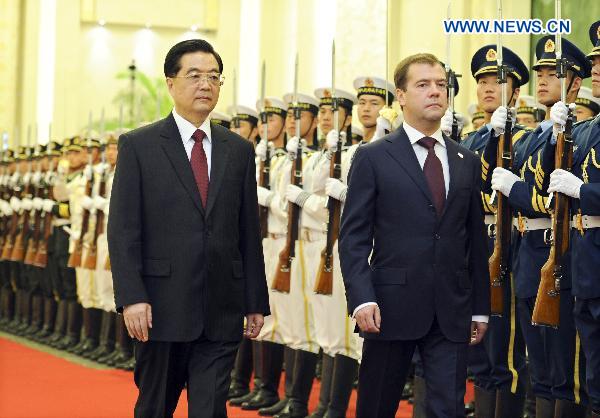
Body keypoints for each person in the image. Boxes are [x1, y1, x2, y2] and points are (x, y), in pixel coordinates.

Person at [108, 39, 270, 418]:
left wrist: (255, 300)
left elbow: (247, 229)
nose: (206, 85)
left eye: (214, 77)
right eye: (194, 76)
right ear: (170, 83)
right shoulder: (139, 146)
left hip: (221, 308)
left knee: (210, 409)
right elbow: (123, 229)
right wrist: (132, 296)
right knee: (155, 406)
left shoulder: (239, 150)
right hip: (160, 308)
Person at [339, 53, 490, 418]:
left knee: (447, 409)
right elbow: (353, 237)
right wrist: (361, 298)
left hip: (450, 309)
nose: (436, 92)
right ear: (401, 96)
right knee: (376, 407)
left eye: (441, 85)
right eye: (423, 85)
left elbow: (474, 240)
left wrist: (481, 309)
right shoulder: (373, 157)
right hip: (389, 306)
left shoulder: (465, 160)